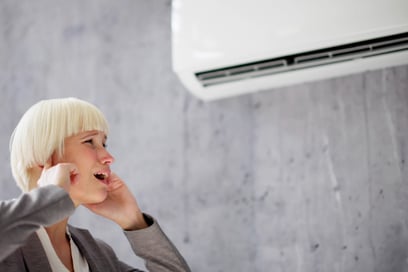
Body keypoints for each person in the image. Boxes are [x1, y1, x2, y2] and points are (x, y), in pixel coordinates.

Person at [0, 97, 191, 272]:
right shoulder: (11, 248)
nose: (109, 158)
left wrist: (135, 223)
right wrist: (52, 196)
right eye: (89, 142)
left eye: (104, 144)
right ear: (44, 159)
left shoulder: (99, 255)